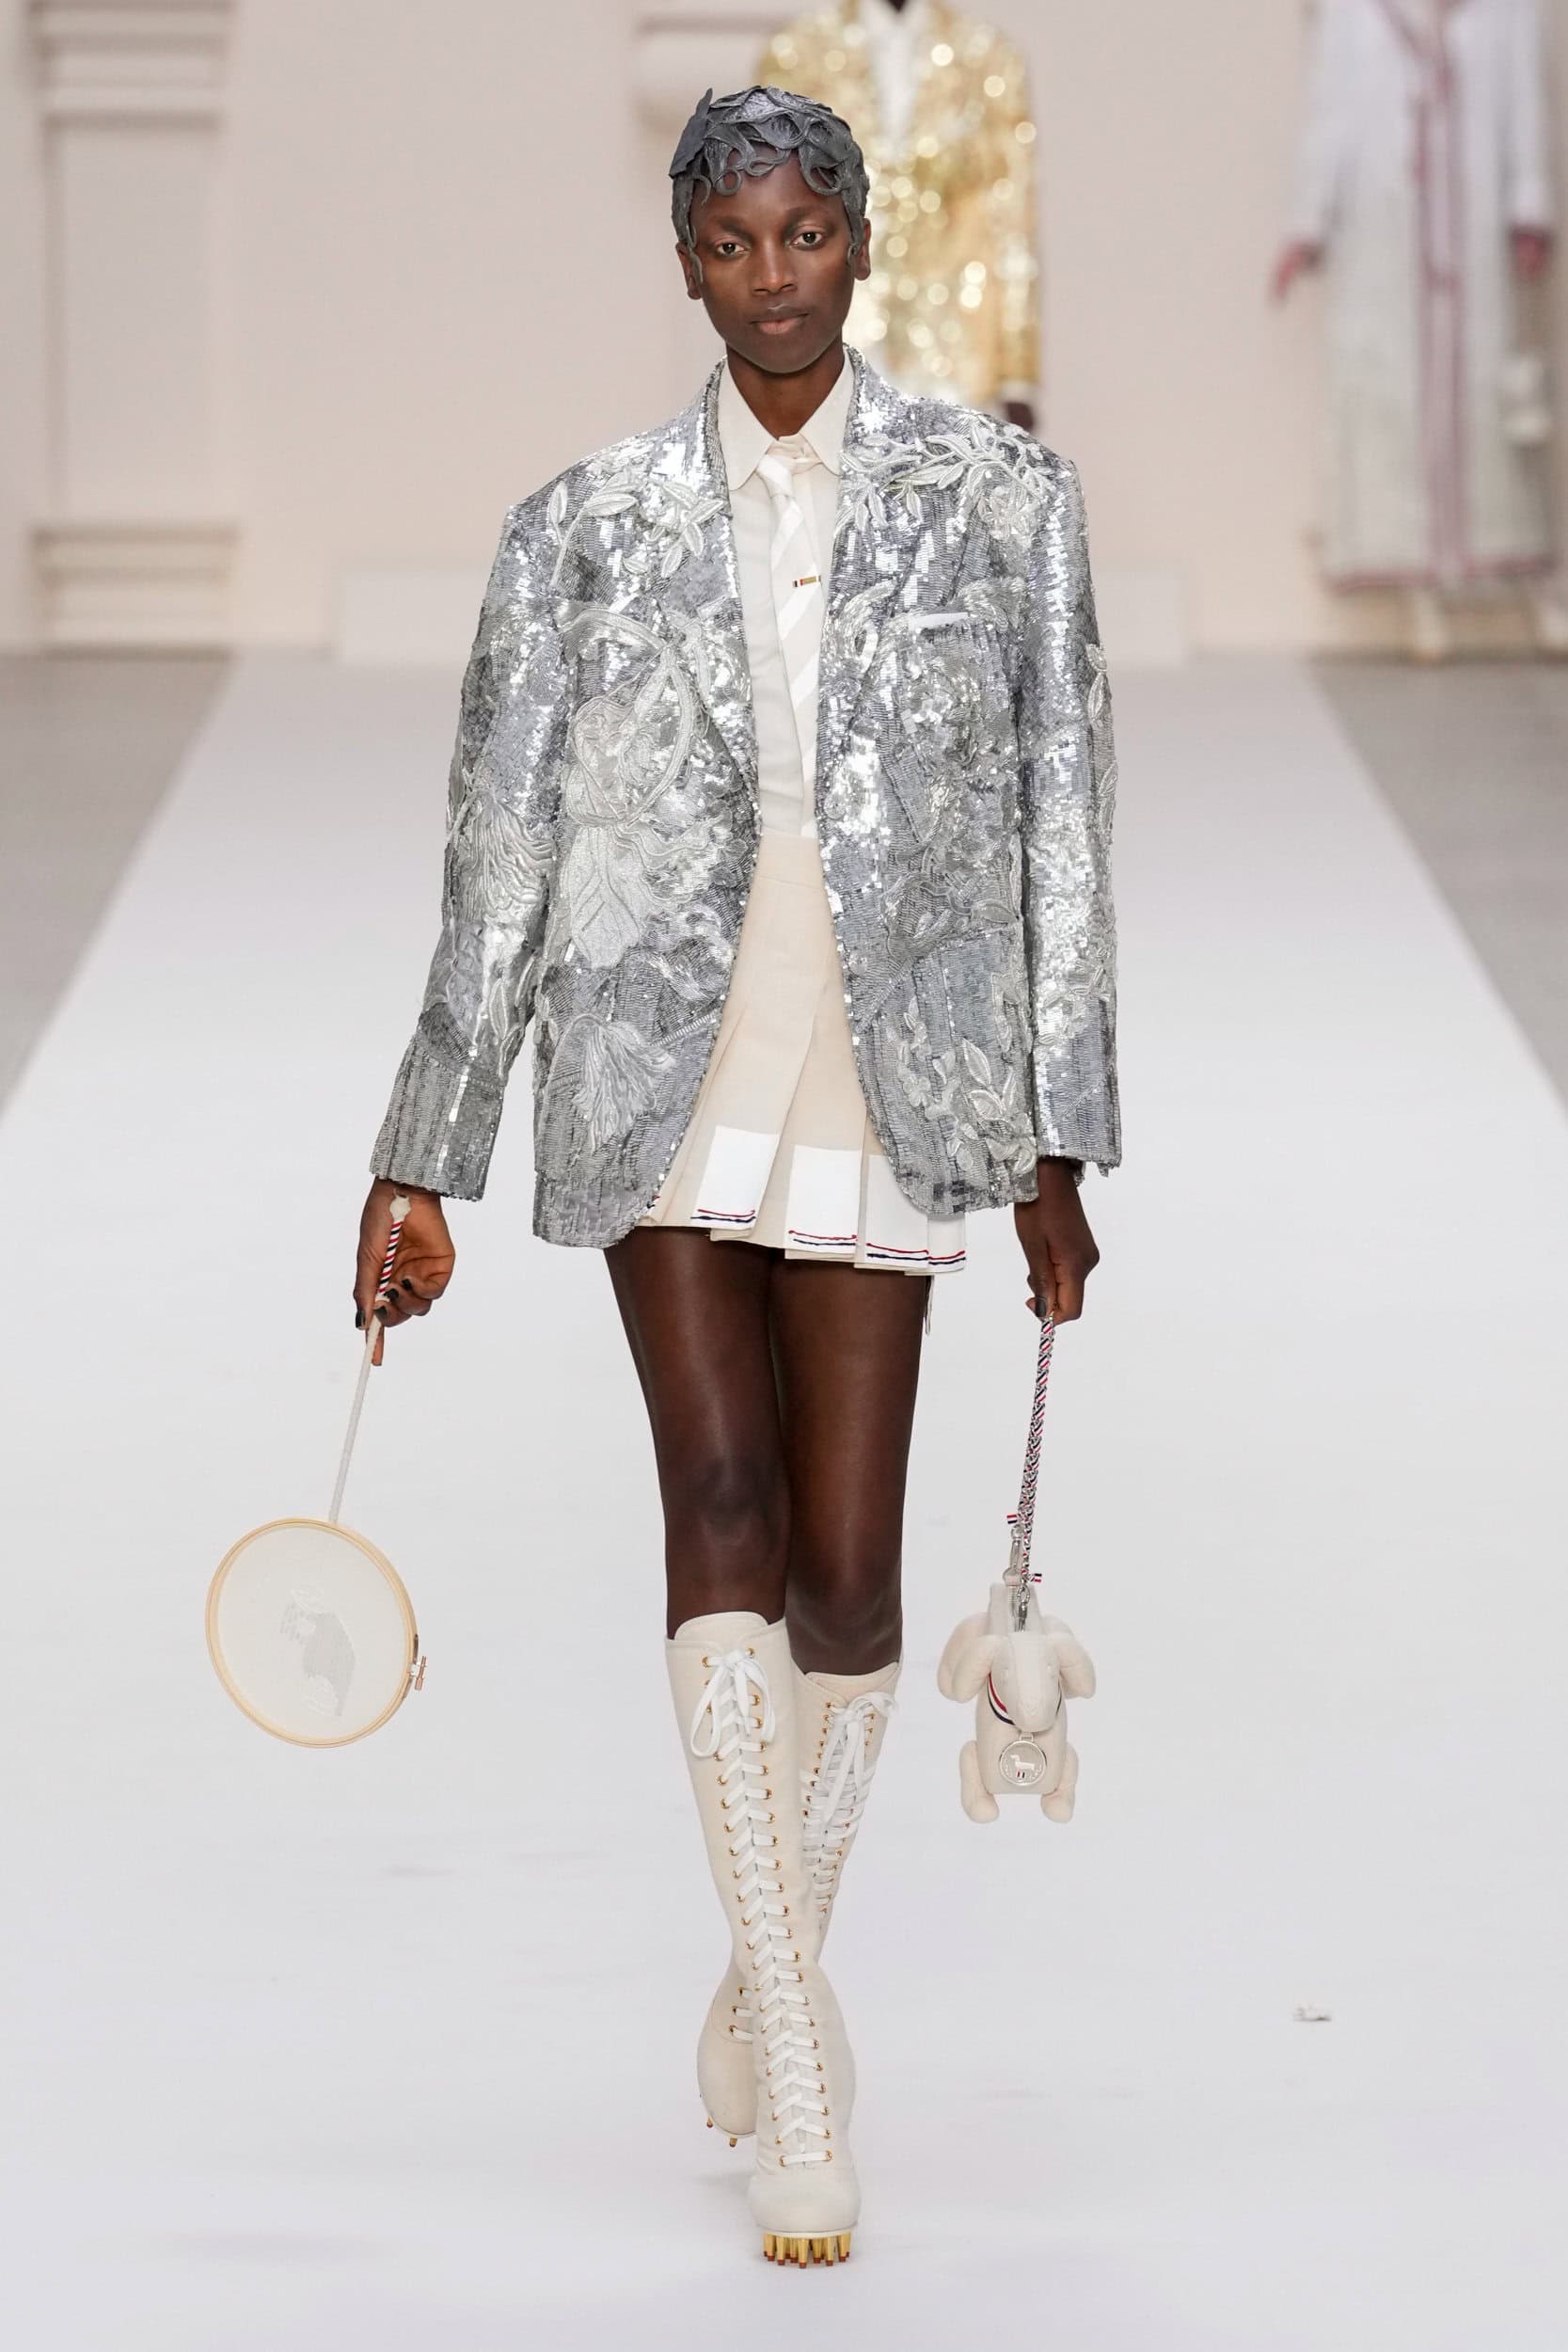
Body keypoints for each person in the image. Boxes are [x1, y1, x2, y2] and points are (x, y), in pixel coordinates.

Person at [354, 83, 1119, 2268]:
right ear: (682, 261)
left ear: (857, 243)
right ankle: (793, 2050)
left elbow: (1062, 816)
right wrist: (422, 1156)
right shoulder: (577, 529)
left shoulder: (998, 501)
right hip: (654, 1057)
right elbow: (497, 855)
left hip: (891, 1060)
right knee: (718, 1500)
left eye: (803, 236)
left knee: (853, 1581)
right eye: (730, 243)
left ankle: (758, 1957)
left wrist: (1057, 1135)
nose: (771, 278)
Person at [1273, 0, 1564, 660]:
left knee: (1495, 413)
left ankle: (1524, 583)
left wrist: (1529, 204)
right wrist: (1307, 223)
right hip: (1383, 236)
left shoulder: (1510, 10)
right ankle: (1418, 589)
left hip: (1474, 236)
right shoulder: (1352, 11)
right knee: (1392, 407)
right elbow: (1330, 114)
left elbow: (1526, 102)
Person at [757, 0, 1042, 425]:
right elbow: (768, 211)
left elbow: (1011, 213)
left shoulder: (987, 57)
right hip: (833, 328)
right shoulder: (797, 52)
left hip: (954, 336)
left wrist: (1016, 373)